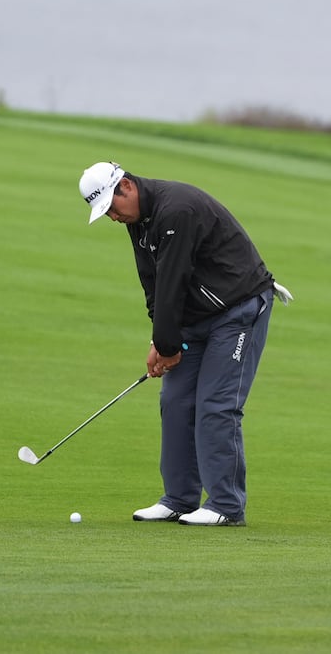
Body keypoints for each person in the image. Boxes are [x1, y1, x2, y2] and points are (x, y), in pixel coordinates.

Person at [78, 160, 287, 526]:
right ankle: (179, 498)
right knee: (174, 401)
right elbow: (153, 284)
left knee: (216, 406)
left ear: (126, 185)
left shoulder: (177, 209)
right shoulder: (138, 220)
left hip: (239, 309)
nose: (112, 216)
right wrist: (159, 342)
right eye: (105, 212)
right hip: (197, 318)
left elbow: (173, 279)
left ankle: (225, 505)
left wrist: (169, 343)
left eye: (112, 206)